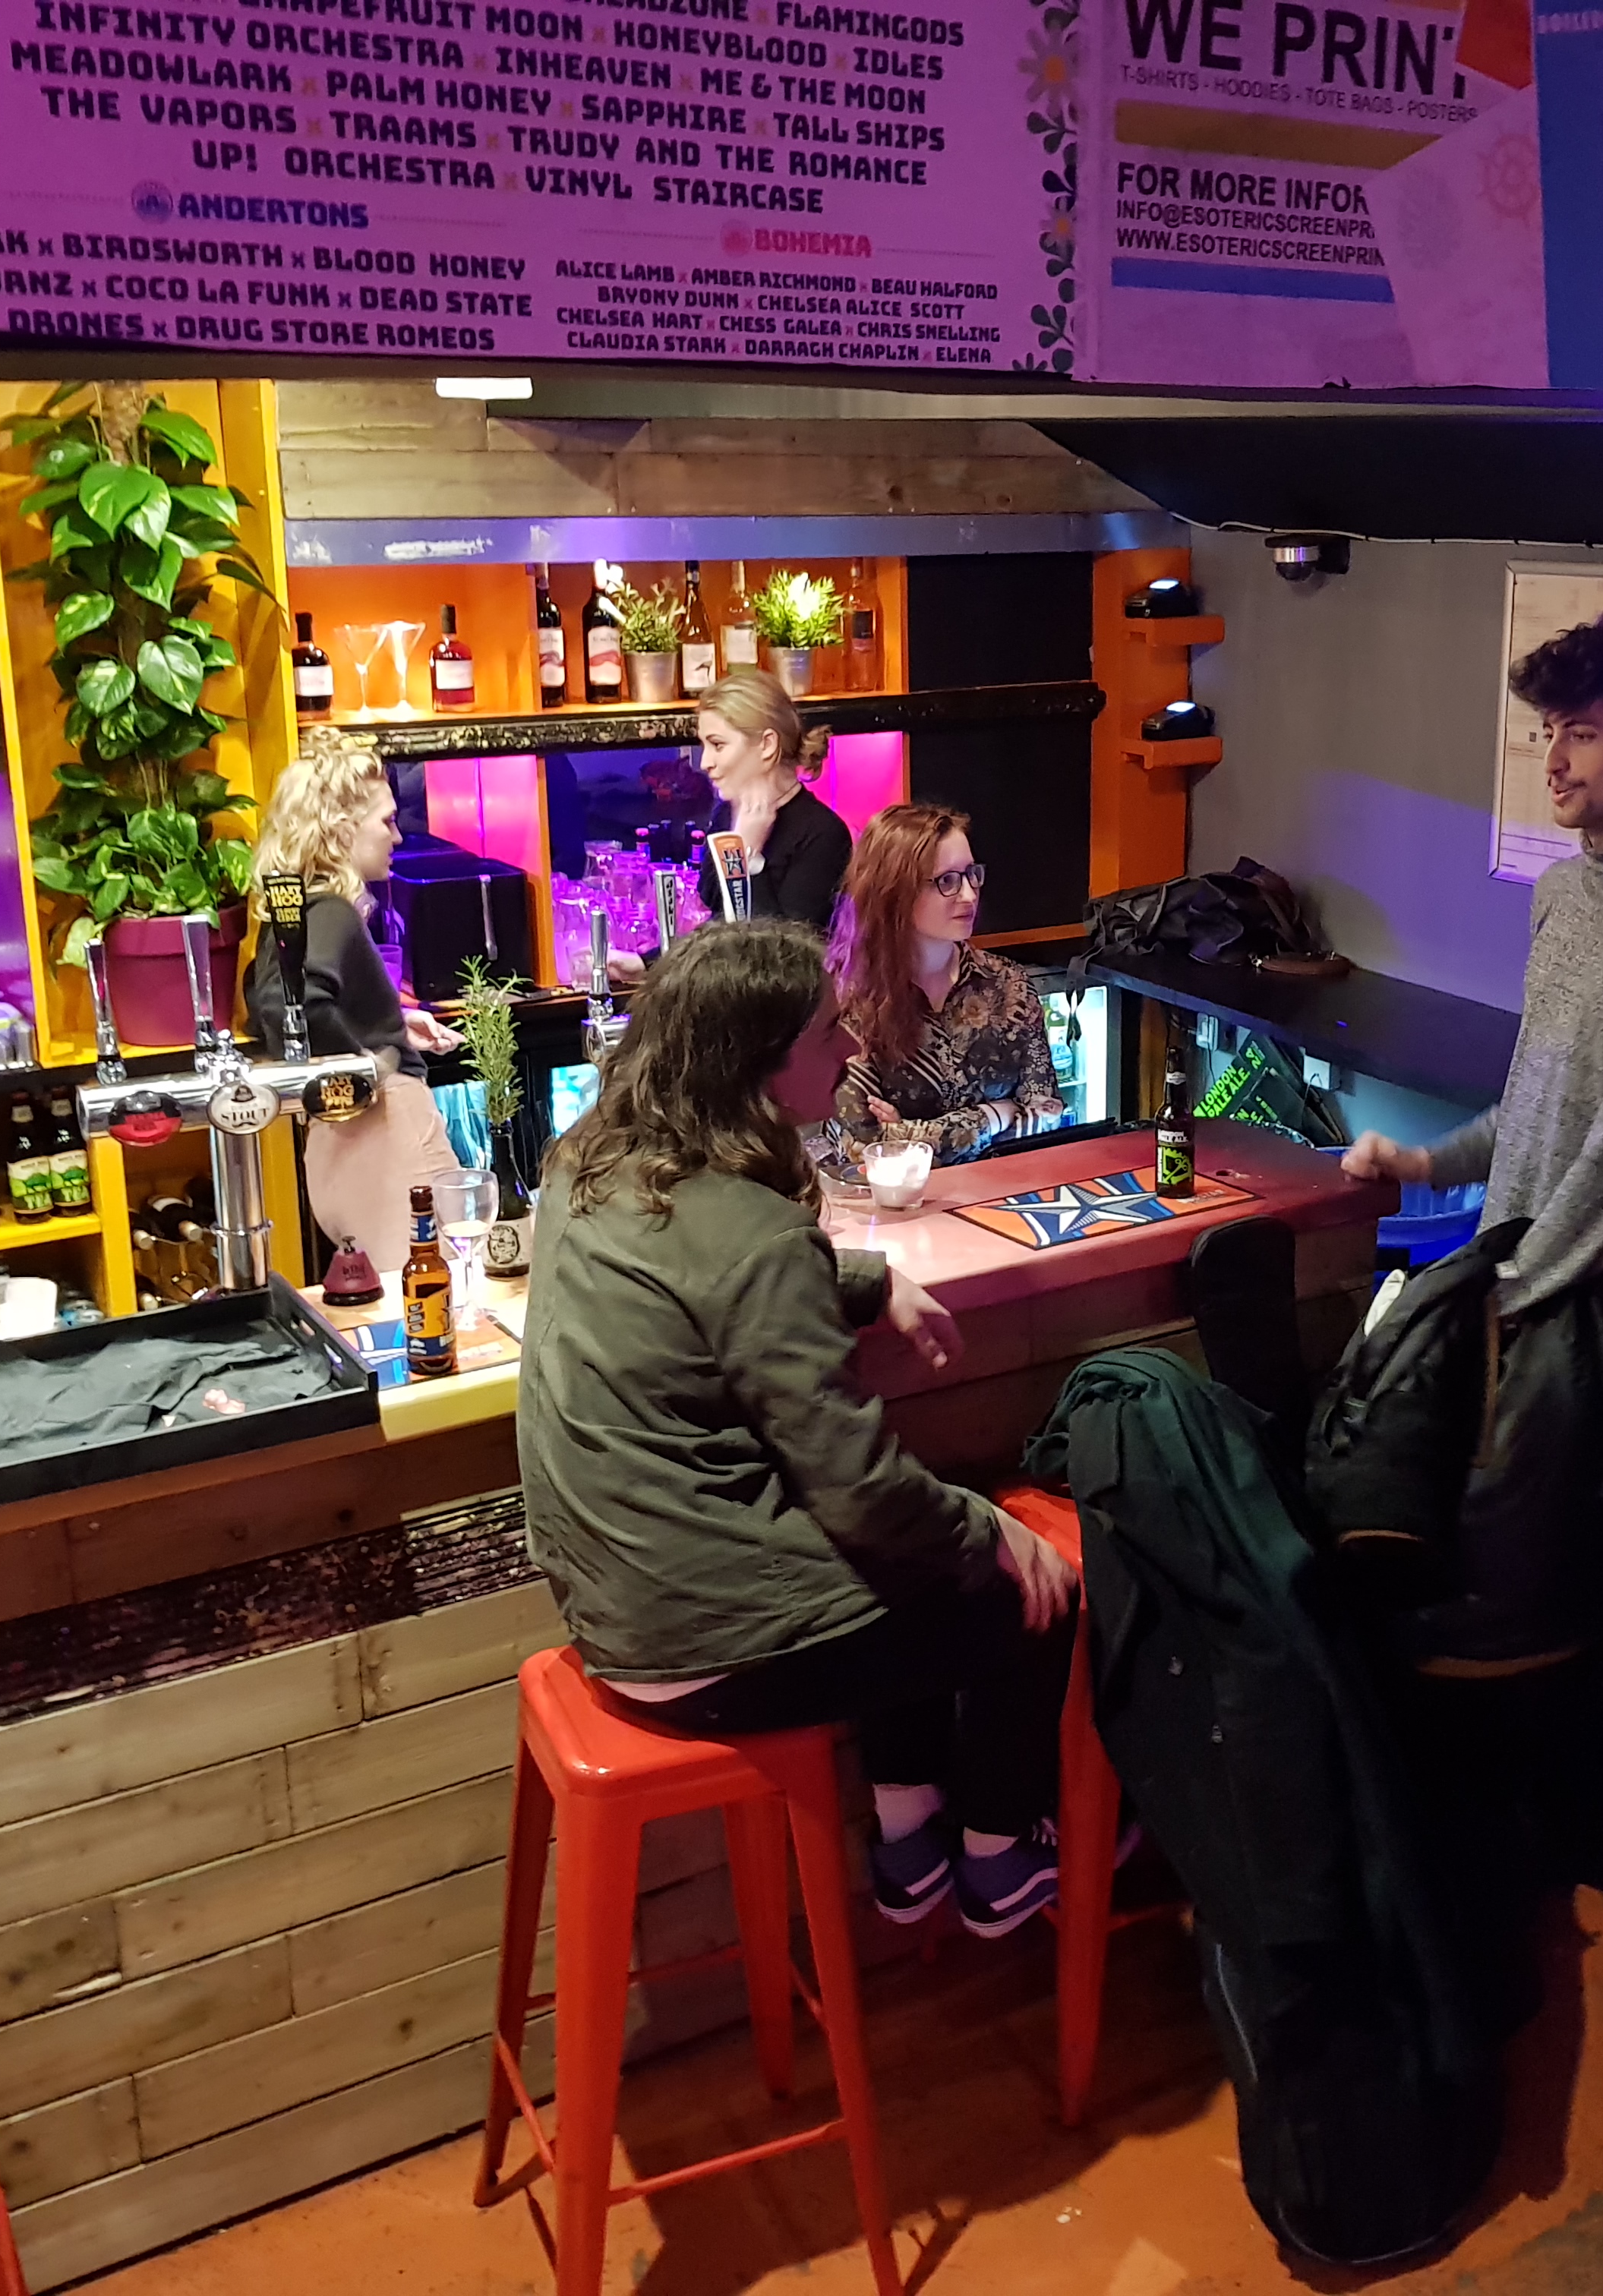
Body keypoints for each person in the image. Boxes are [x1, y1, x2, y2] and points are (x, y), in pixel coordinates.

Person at [517, 921, 1086, 1934]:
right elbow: (861, 1490)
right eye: (829, 1033)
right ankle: (999, 1857)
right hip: (704, 1644)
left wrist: (863, 1281)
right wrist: (987, 1529)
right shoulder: (755, 1230)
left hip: (612, 1604)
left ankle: (909, 1843)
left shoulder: (587, 1162)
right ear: (761, 1069)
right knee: (1024, 1586)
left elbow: (702, 1277)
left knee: (905, 1558)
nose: (854, 1049)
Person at [1340, 613, 1603, 1882]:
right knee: (1510, 1574)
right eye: (1548, 732)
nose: (1553, 759)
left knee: (1544, 1591)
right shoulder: (1566, 888)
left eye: (1579, 732)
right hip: (1517, 1281)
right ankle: (1527, 1843)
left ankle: (1558, 1852)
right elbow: (1542, 1095)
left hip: (1585, 1300)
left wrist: (1509, 1294)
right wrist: (1429, 1165)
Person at [246, 732, 463, 1275]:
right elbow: (288, 1004)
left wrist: (385, 1025)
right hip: (389, 1144)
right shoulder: (333, 912)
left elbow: (275, 1013)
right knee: (439, 1304)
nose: (398, 835)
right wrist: (366, 1073)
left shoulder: (290, 908)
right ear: (342, 828)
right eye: (386, 821)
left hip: (335, 1157)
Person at [828, 802, 1064, 1165]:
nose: (969, 895)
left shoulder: (1008, 984)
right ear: (895, 891)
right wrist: (995, 1115)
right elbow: (863, 1145)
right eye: (947, 881)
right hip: (898, 1209)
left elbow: (1048, 1115)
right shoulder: (847, 996)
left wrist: (908, 1132)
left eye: (972, 874)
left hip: (1004, 1194)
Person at [607, 670, 849, 979]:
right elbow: (720, 927)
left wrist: (747, 858)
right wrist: (649, 963)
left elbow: (784, 960)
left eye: (718, 745)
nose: (705, 762)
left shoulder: (824, 834)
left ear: (767, 745)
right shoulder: (726, 817)